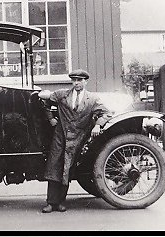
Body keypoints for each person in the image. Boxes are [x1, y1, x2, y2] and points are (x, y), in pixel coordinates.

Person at [38, 69, 111, 213]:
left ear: (85, 81)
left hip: (77, 138)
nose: (76, 83)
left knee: (67, 169)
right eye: (74, 80)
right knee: (54, 166)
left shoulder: (93, 99)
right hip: (60, 136)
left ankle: (60, 202)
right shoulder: (62, 94)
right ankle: (50, 203)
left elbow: (106, 113)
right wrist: (51, 119)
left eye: (79, 80)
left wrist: (97, 125)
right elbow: (44, 102)